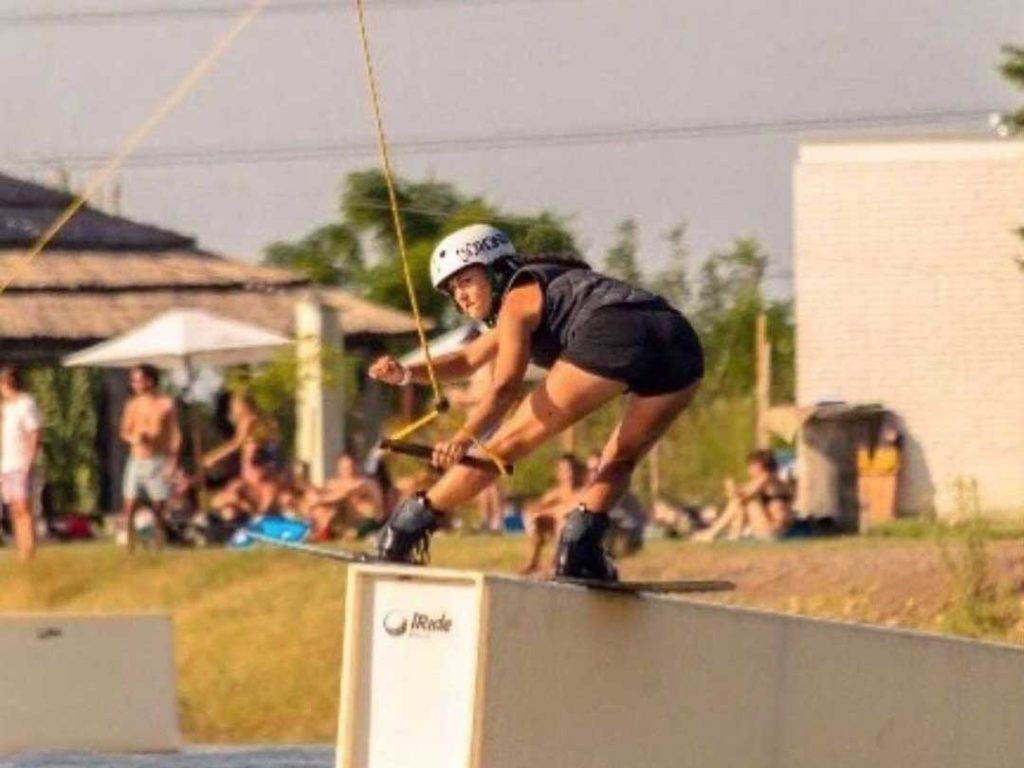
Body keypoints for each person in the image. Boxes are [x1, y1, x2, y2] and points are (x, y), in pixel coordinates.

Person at [368, 223, 704, 581]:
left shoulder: (517, 300)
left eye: (465, 281)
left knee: (503, 446)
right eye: (452, 291)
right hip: (679, 343)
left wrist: (462, 440)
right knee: (619, 459)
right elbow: (468, 360)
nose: (460, 298)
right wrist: (406, 373)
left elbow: (503, 389)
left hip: (616, 329)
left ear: (497, 269)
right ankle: (581, 551)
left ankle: (403, 532)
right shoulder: (538, 290)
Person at [119, 364, 182, 553]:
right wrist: (135, 438)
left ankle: (159, 545)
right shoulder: (132, 405)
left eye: (138, 380)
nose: (134, 384)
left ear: (149, 380)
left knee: (158, 507)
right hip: (137, 459)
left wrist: (173, 462)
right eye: (133, 380)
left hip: (158, 460)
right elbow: (124, 431)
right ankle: (130, 547)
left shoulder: (166, 404)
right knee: (129, 505)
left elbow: (175, 434)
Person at [693, 449, 793, 542]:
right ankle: (732, 536)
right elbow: (740, 492)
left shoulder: (766, 478)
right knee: (741, 501)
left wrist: (731, 487)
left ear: (760, 465)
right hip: (776, 530)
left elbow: (743, 494)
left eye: (752, 465)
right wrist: (733, 490)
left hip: (772, 531)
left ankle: (713, 533)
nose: (749, 469)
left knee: (745, 500)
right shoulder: (771, 479)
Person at [0, 366, 42, 562]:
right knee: (13, 508)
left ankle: (29, 550)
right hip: (5, 464)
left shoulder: (25, 403)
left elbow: (34, 433)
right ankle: (21, 549)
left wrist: (29, 462)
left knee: (24, 506)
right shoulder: (4, 408)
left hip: (20, 463)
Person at [520, 453, 585, 575]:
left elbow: (578, 508)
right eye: (564, 470)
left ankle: (556, 564)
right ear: (558, 473)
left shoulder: (583, 491)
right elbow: (535, 507)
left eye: (571, 470)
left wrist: (555, 512)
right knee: (536, 520)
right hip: (558, 523)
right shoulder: (556, 493)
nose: (569, 474)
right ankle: (533, 562)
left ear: (578, 471)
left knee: (563, 523)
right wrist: (537, 514)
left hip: (576, 528)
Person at [203, 391, 280, 483]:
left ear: (243, 405)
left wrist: (213, 457)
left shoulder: (247, 420)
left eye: (234, 405)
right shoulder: (262, 420)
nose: (231, 410)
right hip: (271, 466)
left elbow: (236, 443)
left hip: (254, 468)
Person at [306, 452, 385, 541]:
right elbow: (318, 497)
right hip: (343, 523)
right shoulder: (332, 484)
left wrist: (322, 499)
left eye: (350, 466)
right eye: (344, 467)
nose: (348, 470)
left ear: (356, 465)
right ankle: (317, 531)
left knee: (336, 501)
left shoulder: (367, 483)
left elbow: (379, 509)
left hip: (365, 521)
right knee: (322, 507)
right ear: (338, 468)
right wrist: (316, 498)